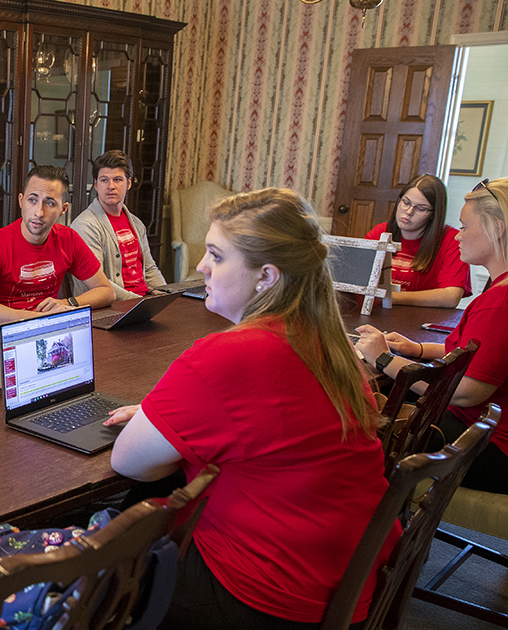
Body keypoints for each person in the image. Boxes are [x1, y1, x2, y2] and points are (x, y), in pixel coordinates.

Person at [108, 188, 395, 628]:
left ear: (266, 277)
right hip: (341, 582)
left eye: (218, 256)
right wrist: (174, 420)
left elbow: (128, 461)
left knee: (101, 557)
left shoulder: (229, 354)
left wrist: (165, 425)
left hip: (259, 597)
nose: (201, 266)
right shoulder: (330, 342)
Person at [356, 177, 508, 494]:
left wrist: (385, 359)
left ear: (496, 230)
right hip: (483, 427)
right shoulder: (498, 290)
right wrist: (418, 348)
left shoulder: (499, 303)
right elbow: (472, 353)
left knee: (363, 431)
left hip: (490, 447)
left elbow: (466, 393)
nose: (458, 237)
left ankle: (374, 525)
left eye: (465, 227)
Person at [0, 165, 116, 324]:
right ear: (21, 201)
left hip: (50, 330)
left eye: (50, 203)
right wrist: (39, 319)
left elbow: (107, 292)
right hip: (4, 331)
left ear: (63, 209)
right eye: (32, 200)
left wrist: (67, 303)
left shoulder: (69, 239)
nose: (39, 212)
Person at [70, 150, 167, 300]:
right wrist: (138, 303)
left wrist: (165, 297)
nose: (111, 186)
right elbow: (98, 284)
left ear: (128, 183)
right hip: (115, 307)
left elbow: (149, 269)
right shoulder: (85, 226)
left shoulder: (136, 223)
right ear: (95, 184)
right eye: (104, 180)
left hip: (144, 300)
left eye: (117, 179)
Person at [364, 174, 470, 308]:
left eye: (421, 208)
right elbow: (356, 276)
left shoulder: (452, 240)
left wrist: (390, 297)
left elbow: (451, 297)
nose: (409, 211)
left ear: (434, 214)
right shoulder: (380, 231)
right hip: (379, 315)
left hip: (421, 319)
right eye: (406, 202)